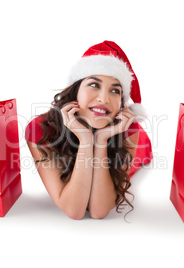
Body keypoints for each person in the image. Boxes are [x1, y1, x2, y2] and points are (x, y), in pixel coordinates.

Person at [25, 41, 152, 220]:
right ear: (76, 90)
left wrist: (100, 141)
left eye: (115, 91)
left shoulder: (128, 129)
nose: (103, 98)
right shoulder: (41, 129)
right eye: (94, 85)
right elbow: (74, 211)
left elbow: (99, 211)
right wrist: (86, 141)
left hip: (140, 149)